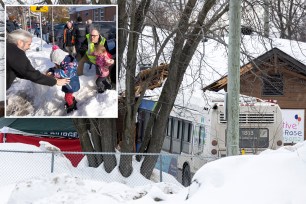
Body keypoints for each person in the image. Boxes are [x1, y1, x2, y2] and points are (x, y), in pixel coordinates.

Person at [47, 45, 80, 113]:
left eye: (55, 63)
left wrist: (53, 73)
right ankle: (72, 99)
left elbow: (65, 73)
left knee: (67, 97)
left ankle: (71, 106)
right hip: (69, 83)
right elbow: (58, 68)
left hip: (71, 85)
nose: (55, 64)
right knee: (69, 96)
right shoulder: (65, 61)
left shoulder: (70, 66)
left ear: (58, 60)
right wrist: (51, 70)